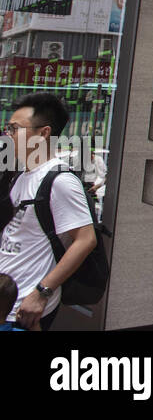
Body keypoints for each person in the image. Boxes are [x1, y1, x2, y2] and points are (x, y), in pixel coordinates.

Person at [0, 93, 96, 331]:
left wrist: (42, 293)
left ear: (43, 133)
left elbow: (86, 240)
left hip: (24, 310)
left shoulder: (60, 180)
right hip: (6, 304)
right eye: (7, 128)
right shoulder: (20, 176)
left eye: (14, 128)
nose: (7, 135)